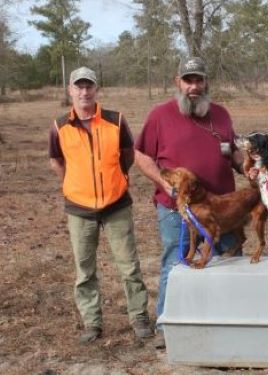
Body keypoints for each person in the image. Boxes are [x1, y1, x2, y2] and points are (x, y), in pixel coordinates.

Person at [134, 57, 244, 349]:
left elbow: (232, 153)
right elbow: (142, 156)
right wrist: (164, 182)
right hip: (177, 210)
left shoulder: (220, 114)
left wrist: (250, 168)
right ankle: (166, 325)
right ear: (177, 82)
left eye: (198, 80)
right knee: (175, 262)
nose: (193, 87)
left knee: (230, 261)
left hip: (222, 207)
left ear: (206, 82)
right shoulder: (161, 116)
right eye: (188, 80)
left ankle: (230, 321)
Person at [49, 67, 152, 344]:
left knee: (129, 266)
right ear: (70, 90)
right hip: (79, 209)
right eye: (78, 87)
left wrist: (116, 177)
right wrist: (72, 183)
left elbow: (128, 154)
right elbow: (56, 161)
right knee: (85, 271)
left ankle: (139, 317)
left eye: (89, 86)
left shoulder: (115, 120)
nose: (84, 92)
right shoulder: (60, 126)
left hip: (116, 204)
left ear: (96, 89)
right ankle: (92, 323)